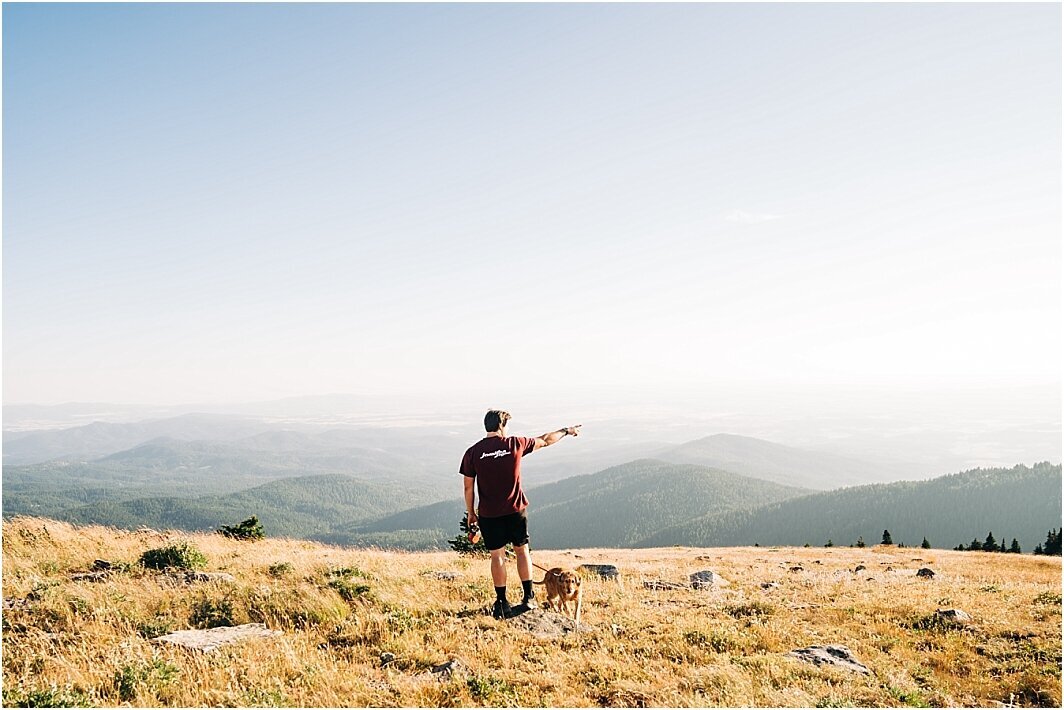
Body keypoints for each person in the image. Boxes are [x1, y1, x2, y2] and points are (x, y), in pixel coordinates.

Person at [460, 409, 581, 619]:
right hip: (515, 509)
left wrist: (471, 513)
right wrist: (566, 431)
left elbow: (468, 488)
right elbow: (545, 440)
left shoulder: (473, 452)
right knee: (522, 551)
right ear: (501, 426)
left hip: (489, 514)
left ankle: (502, 602)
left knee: (497, 556)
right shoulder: (514, 444)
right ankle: (528, 598)